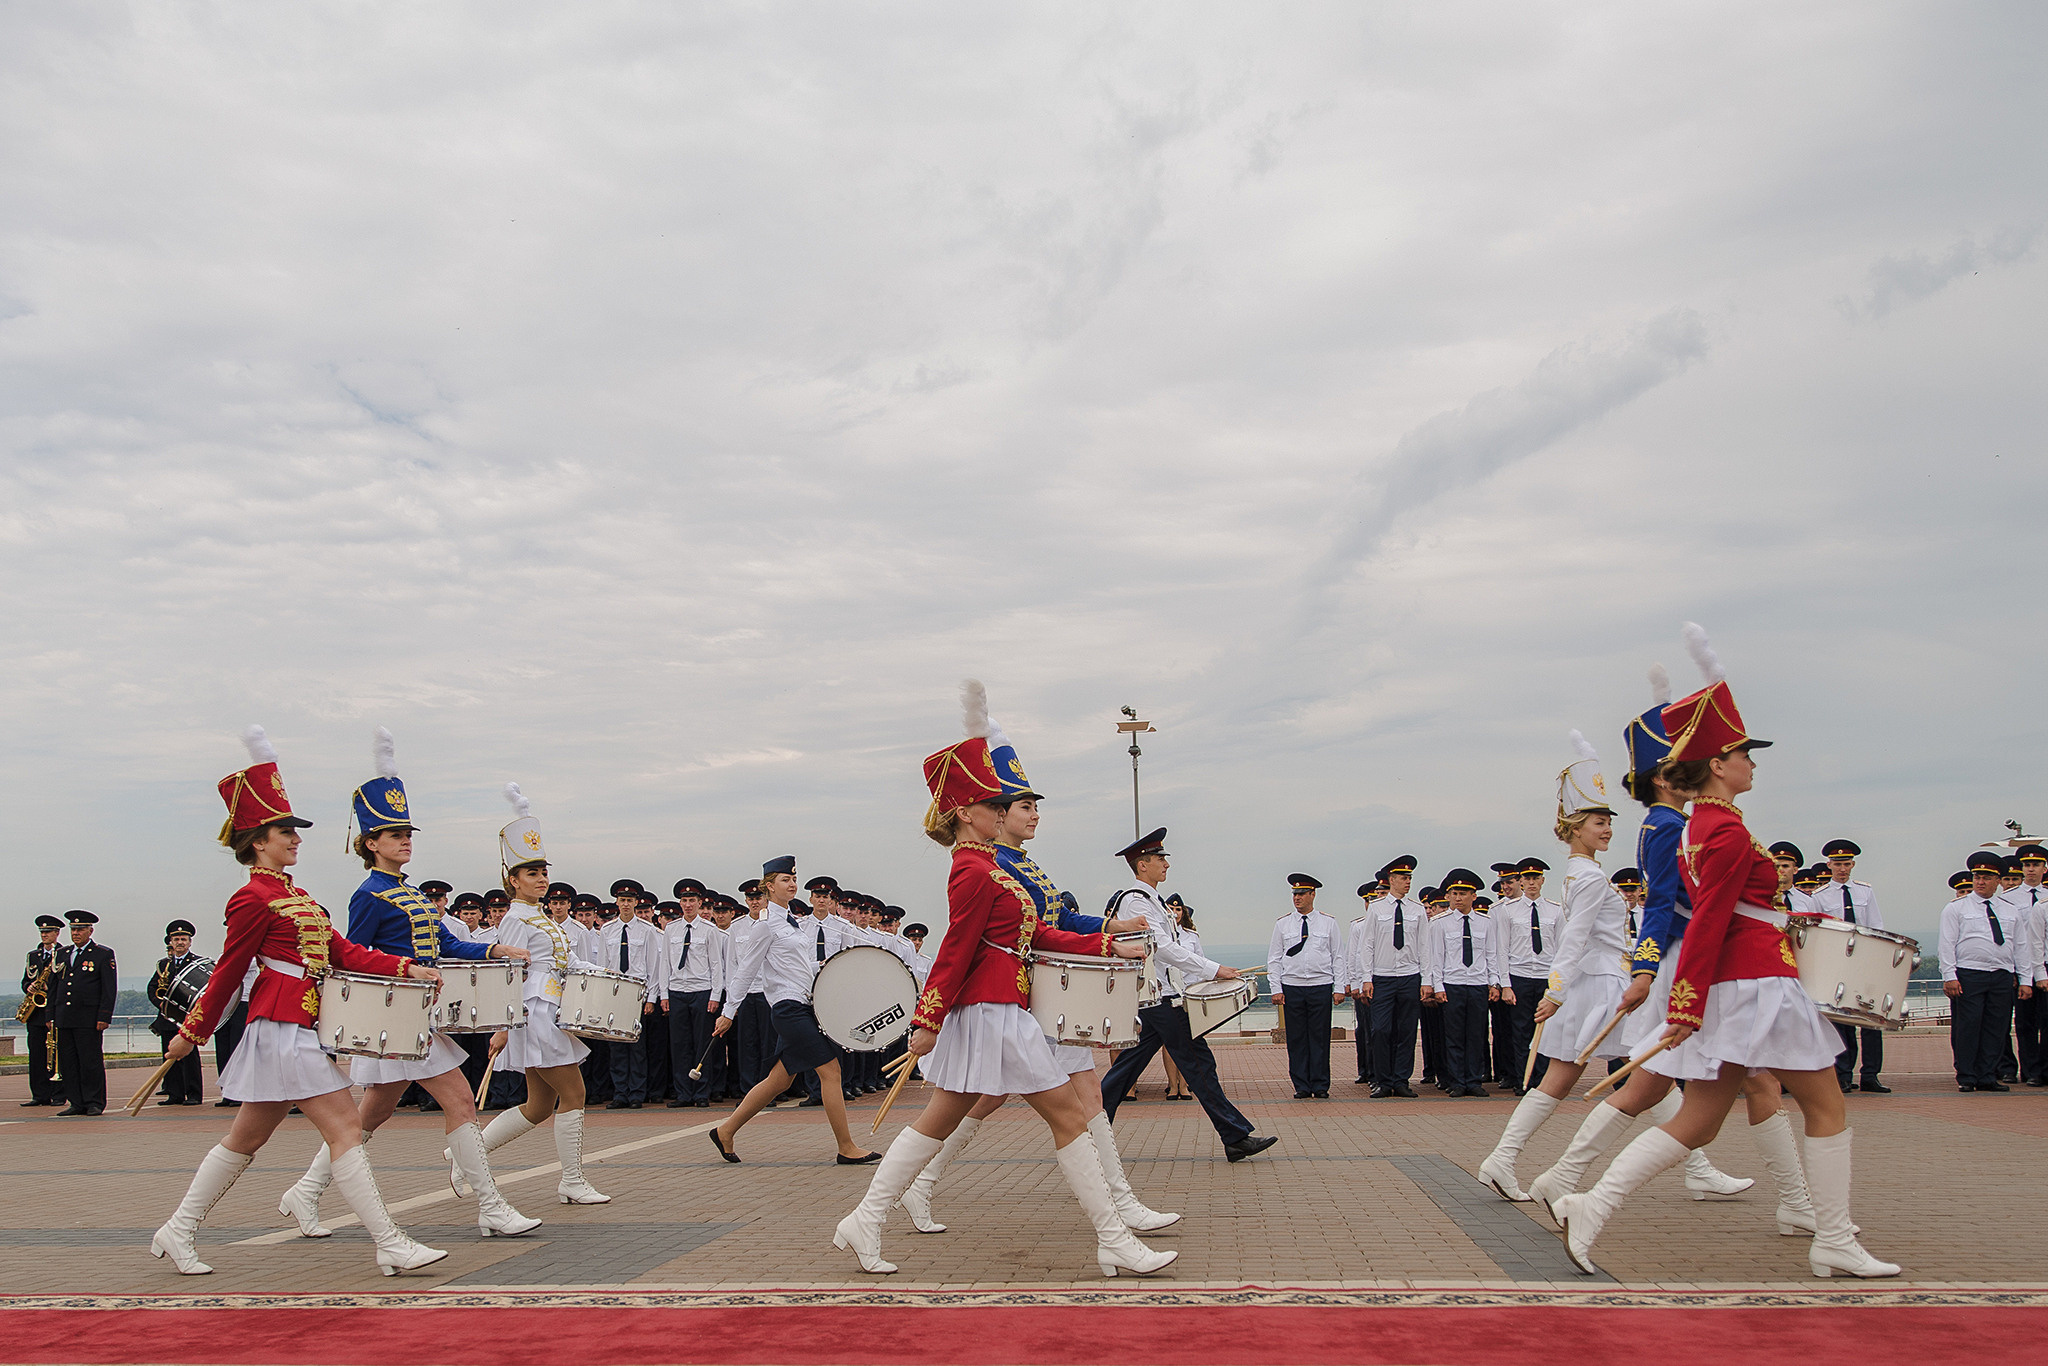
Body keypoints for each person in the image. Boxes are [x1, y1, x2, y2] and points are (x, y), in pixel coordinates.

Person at [1550, 631, 1895, 1278]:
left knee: (1703, 1122)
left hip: (1741, 982)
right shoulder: (1724, 830)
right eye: (1743, 754)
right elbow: (1705, 920)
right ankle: (1834, 1237)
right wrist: (1682, 1002)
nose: (1753, 764)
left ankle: (1590, 1204)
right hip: (1758, 983)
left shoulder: (1705, 825)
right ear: (1716, 765)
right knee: (1825, 1105)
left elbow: (1726, 912)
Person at [831, 688, 1172, 1277]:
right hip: (990, 1012)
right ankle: (1114, 1237)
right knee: (1068, 1116)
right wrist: (926, 1021)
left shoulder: (990, 864)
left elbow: (1033, 935)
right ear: (968, 812)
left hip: (1000, 1009)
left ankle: (864, 1218)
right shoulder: (969, 868)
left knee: (937, 1121)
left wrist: (1103, 942)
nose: (1004, 811)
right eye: (995, 805)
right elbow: (955, 952)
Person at [151, 726, 446, 1276]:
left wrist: (408, 967)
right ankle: (390, 1242)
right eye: (287, 831)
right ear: (258, 839)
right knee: (346, 1128)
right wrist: (192, 1032)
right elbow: (229, 973)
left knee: (245, 1138)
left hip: (299, 1026)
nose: (297, 839)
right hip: (280, 1026)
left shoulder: (294, 893)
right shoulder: (251, 897)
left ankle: (178, 1229)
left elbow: (344, 952)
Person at [274, 730, 541, 1242]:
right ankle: (490, 1205)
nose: (406, 841)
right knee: (461, 1102)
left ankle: (306, 1191)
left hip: (417, 1015)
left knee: (365, 1117)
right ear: (371, 842)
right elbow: (355, 957)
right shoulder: (369, 895)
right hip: (395, 1016)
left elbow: (444, 945)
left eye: (408, 833)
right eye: (395, 835)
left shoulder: (412, 893)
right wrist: (400, 975)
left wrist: (494, 950)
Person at [1523, 665, 1756, 1225]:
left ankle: (1557, 1175)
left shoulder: (1669, 825)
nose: (1606, 828)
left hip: (1644, 971)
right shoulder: (1662, 830)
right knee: (1632, 1082)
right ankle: (1547, 1175)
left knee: (1650, 1084)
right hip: (1660, 970)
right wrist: (1642, 973)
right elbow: (1657, 913)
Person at [1480, 735, 1634, 1195]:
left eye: (1608, 820)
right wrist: (1555, 992)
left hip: (1594, 981)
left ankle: (1501, 1159)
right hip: (1602, 981)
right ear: (1575, 827)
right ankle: (1694, 1162)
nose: (1607, 828)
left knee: (1569, 1078)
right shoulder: (1588, 877)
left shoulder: (1577, 873)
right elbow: (1573, 940)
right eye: (1598, 821)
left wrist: (1559, 990)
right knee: (1647, 1074)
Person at [461, 784, 613, 1205]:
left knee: (539, 1105)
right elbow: (507, 973)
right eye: (532, 873)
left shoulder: (543, 917)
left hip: (550, 1009)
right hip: (535, 1012)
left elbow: (562, 964)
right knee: (576, 1094)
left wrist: (602, 973)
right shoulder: (514, 918)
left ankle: (464, 1154)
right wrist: (503, 1026)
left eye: (544, 872)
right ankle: (572, 1180)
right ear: (513, 879)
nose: (542, 879)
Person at [1097, 828, 1275, 1162]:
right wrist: (1213, 970)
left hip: (1158, 996)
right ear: (1142, 865)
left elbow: (1171, 949)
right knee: (1198, 1063)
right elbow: (1162, 948)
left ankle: (1090, 1131)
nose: (1166, 864)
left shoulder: (1151, 900)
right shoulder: (1136, 901)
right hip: (1158, 997)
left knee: (1127, 1069)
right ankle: (1235, 1135)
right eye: (1160, 859)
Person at [708, 857, 880, 1163]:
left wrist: (826, 967)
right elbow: (746, 971)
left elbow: (799, 967)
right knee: (831, 1071)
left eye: (793, 878)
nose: (792, 884)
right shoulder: (765, 925)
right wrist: (728, 1012)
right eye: (785, 879)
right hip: (788, 1009)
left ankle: (725, 1131)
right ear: (769, 886)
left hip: (804, 1004)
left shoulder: (793, 923)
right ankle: (846, 1147)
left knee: (780, 1080)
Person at [1942, 850, 2031, 1092]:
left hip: (2002, 975)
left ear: (1998, 881)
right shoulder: (1956, 908)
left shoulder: (2009, 909)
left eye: (1986, 878)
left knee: (1997, 1026)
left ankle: (1987, 1075)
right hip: (1970, 973)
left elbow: (2021, 946)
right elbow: (1947, 944)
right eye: (1977, 877)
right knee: (1969, 1026)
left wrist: (2025, 979)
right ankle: (1967, 1076)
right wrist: (1949, 976)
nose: (1980, 882)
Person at [1814, 840, 1888, 1093]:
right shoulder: (1820, 896)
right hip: (1838, 963)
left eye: (1846, 864)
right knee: (1841, 1021)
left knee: (1870, 1020)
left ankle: (1870, 1074)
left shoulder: (1865, 892)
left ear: (1853, 864)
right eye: (1837, 864)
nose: (1842, 869)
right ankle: (1843, 1075)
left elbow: (1876, 925)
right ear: (1829, 865)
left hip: (1865, 962)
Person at [1421, 870, 1501, 1098]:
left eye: (1463, 893)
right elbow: (1435, 958)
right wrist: (1438, 987)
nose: (1458, 898)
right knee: (1454, 1036)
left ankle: (1474, 1080)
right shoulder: (1440, 923)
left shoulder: (1485, 923)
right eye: (1454, 893)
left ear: (1474, 896)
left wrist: (1494, 983)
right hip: (1452, 984)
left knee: (1476, 1035)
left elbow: (1492, 954)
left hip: (1477, 984)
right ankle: (1457, 1081)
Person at [1267, 874, 1342, 1099]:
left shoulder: (1328, 922)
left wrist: (1339, 987)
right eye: (1294, 894)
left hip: (1320, 984)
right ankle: (1301, 1084)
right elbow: (1274, 958)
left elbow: (1338, 956)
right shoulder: (1283, 924)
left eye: (1301, 894)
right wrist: (1275, 988)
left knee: (1319, 1037)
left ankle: (1320, 1084)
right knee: (1297, 1038)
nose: (1297, 898)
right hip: (1293, 986)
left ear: (1312, 894)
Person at [597, 882, 664, 1109]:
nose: (626, 904)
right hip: (615, 993)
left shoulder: (647, 931)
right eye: (622, 900)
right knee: (617, 1046)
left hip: (637, 992)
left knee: (636, 1047)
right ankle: (620, 1093)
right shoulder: (607, 931)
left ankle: (636, 1093)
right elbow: (603, 966)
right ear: (617, 902)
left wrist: (651, 998)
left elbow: (653, 966)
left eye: (630, 900)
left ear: (636, 903)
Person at [1495, 861, 1557, 1095]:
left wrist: (1558, 985)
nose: (1531, 883)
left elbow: (1561, 950)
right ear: (1521, 881)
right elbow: (1502, 950)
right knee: (1520, 1032)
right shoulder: (1508, 911)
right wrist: (1506, 985)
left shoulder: (1555, 910)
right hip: (1519, 976)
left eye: (1536, 878)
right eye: (1527, 878)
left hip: (1545, 978)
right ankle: (1524, 1079)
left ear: (1542, 881)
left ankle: (1541, 1081)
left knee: (1545, 1031)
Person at [665, 880, 726, 1107]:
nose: (688, 905)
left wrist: (715, 996)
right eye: (684, 900)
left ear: (700, 903)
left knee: (702, 1044)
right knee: (680, 1045)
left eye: (692, 900)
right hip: (677, 990)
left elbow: (716, 965)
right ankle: (683, 1093)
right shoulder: (671, 929)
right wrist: (664, 994)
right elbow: (665, 964)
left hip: (702, 990)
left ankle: (701, 1093)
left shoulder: (709, 930)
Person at [50, 909, 116, 1116]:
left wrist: (104, 1015)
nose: (76, 933)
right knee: (69, 1063)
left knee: (90, 1062)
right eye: (73, 929)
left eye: (80, 929)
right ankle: (76, 1102)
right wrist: (50, 1016)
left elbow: (108, 988)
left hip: (88, 1018)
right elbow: (54, 987)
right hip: (64, 1017)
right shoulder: (62, 954)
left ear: (90, 930)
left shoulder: (102, 954)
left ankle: (94, 1101)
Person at [1999, 845, 2048, 1085]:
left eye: (2036, 865)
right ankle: (2029, 1071)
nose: (2030, 869)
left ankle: (2044, 1069)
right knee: (2025, 1022)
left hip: (2045, 966)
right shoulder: (2007, 899)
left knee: (2046, 1021)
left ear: (2044, 868)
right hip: (2021, 968)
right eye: (2027, 865)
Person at [148, 921, 206, 1106]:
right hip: (167, 1018)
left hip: (187, 1019)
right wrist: (162, 1006)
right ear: (170, 942)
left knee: (189, 1058)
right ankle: (174, 1093)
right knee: (169, 1054)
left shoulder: (197, 963)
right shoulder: (164, 965)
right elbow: (152, 988)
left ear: (190, 942)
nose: (180, 942)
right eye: (176, 939)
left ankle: (194, 1094)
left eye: (183, 939)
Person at [19, 915, 63, 1107]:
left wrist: (49, 989)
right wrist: (29, 986)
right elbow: (25, 980)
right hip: (35, 1013)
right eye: (42, 932)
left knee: (55, 1055)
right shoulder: (33, 956)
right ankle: (39, 1094)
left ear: (56, 933)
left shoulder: (63, 953)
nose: (44, 935)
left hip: (53, 1011)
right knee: (36, 1055)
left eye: (48, 932)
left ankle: (59, 1094)